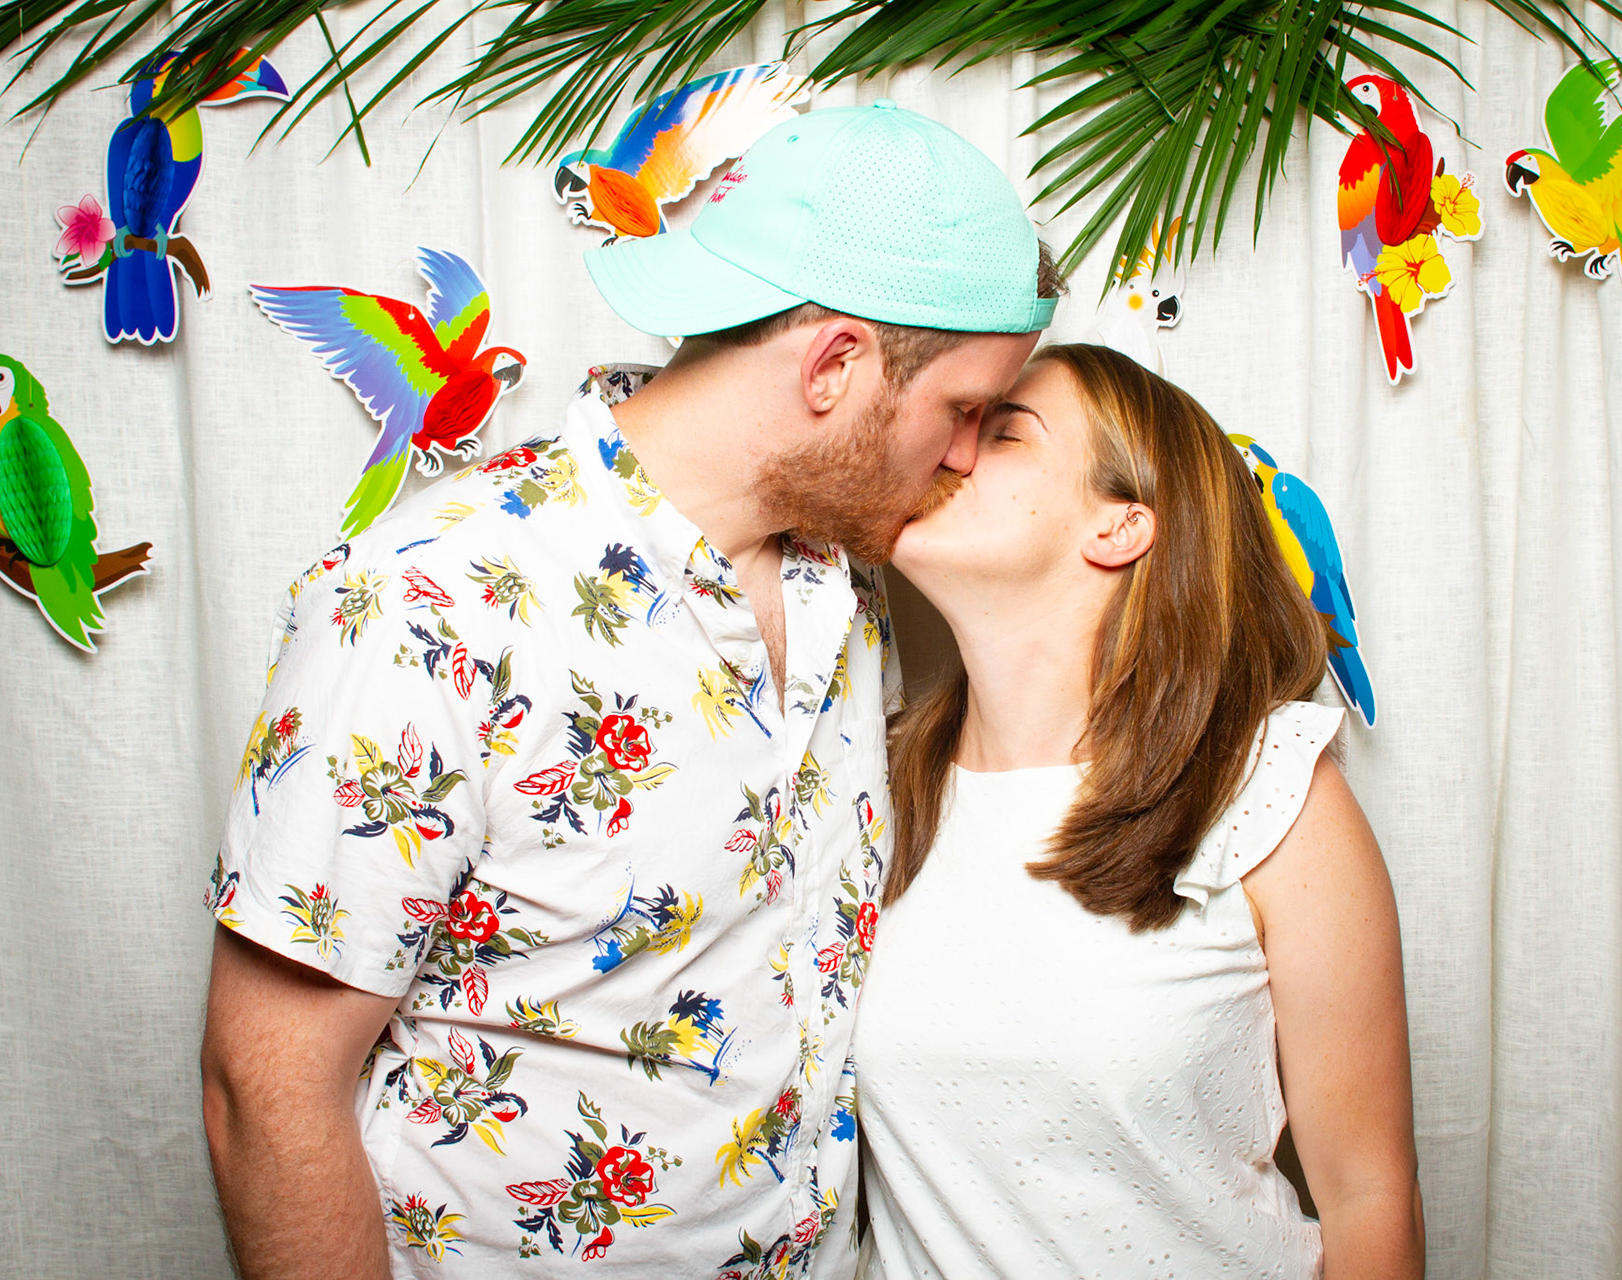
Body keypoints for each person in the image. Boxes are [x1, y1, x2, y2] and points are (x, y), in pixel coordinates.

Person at [200, 101, 1060, 1279]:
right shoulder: (428, 600)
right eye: (963, 411)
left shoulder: (847, 576)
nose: (966, 457)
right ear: (835, 365)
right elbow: (265, 1088)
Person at [852, 343, 1423, 1279]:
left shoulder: (1272, 793)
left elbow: (1370, 1197)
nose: (950, 449)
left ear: (1119, 527)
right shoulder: (871, 785)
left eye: (1004, 434)